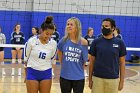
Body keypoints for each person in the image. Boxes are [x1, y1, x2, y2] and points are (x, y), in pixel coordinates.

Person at [89, 18, 126, 93]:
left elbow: (122, 63)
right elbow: (91, 62)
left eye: (106, 26)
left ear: (113, 28)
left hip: (113, 80)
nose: (103, 28)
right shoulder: (96, 42)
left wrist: (121, 81)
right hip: (97, 79)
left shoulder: (120, 43)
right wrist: (90, 79)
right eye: (102, 26)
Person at [24, 16, 57, 93]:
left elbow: (52, 59)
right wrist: (26, 75)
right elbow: (26, 60)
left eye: (51, 35)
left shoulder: (53, 44)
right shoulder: (31, 41)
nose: (48, 36)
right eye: (47, 33)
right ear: (41, 30)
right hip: (32, 72)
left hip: (46, 73)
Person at [57, 17, 88, 93]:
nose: (69, 26)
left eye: (71, 24)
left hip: (78, 77)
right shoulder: (63, 41)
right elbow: (59, 52)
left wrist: (77, 69)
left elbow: (85, 60)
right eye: (68, 24)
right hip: (65, 76)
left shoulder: (83, 42)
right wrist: (63, 64)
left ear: (77, 27)